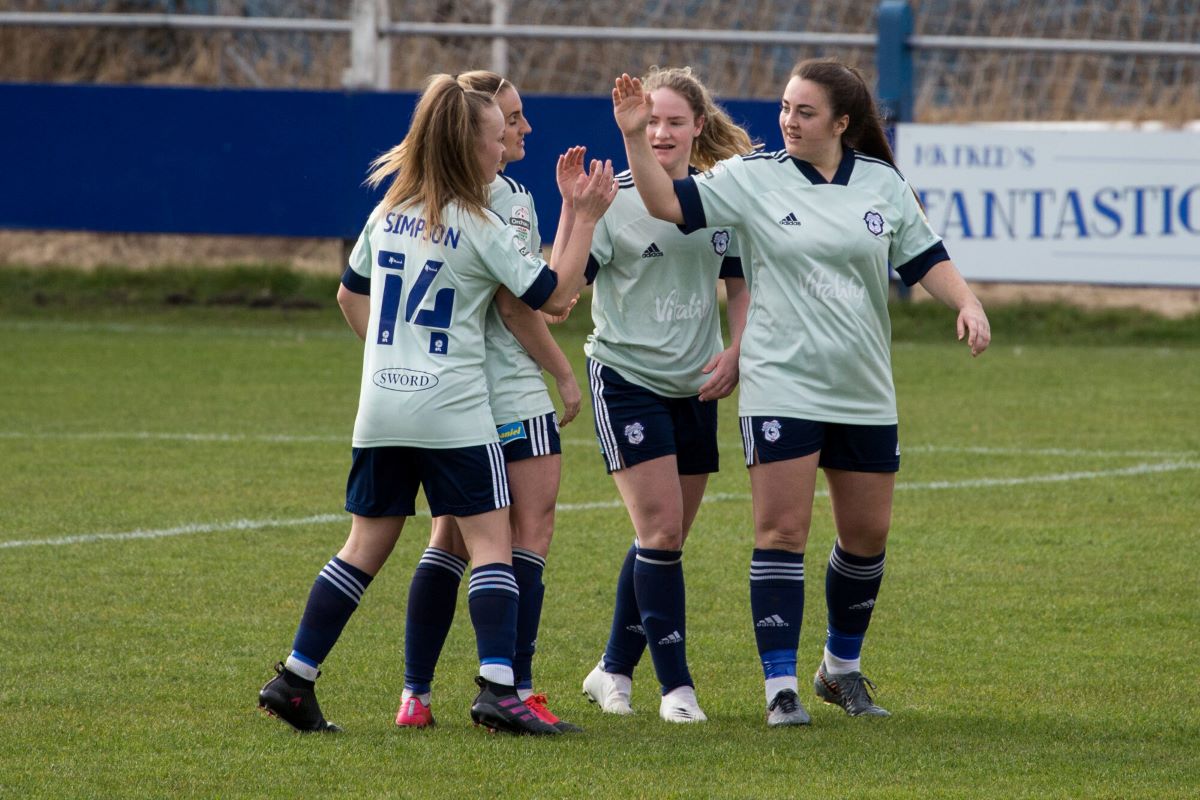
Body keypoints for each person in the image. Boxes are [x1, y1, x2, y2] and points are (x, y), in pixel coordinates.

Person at [611, 59, 991, 726]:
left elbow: (925, 256)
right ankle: (779, 687)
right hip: (780, 383)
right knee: (782, 530)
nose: (788, 119)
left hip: (864, 386)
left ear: (842, 124)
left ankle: (838, 668)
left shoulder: (880, 184)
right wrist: (637, 137)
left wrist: (967, 302)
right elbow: (665, 203)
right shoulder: (753, 179)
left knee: (867, 535)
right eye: (785, 107)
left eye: (804, 111)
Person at [257, 72, 617, 736]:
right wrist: (586, 217)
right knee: (490, 546)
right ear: (464, 144)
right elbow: (552, 292)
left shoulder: (387, 211)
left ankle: (295, 678)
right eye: (491, 135)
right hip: (452, 407)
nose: (500, 144)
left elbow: (348, 296)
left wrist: (396, 356)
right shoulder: (479, 222)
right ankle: (499, 690)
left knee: (363, 546)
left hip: (382, 408)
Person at [395, 70, 584, 733]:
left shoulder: (435, 200)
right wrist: (562, 371)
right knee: (525, 536)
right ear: (479, 129)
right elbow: (542, 300)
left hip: (450, 396)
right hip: (508, 388)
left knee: (449, 538)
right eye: (510, 118)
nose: (521, 129)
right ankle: (515, 687)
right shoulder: (495, 200)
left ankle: (415, 694)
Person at [578, 66, 753, 724]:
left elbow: (740, 286)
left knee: (666, 538)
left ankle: (612, 669)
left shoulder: (721, 201)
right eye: (650, 121)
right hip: (624, 378)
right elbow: (568, 282)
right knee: (659, 529)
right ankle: (676, 690)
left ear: (697, 128)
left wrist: (738, 350)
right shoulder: (614, 202)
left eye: (674, 121)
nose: (661, 132)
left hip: (697, 386)